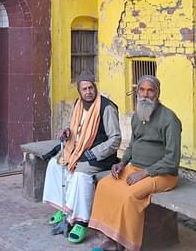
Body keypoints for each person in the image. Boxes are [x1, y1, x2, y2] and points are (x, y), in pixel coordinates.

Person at [88, 75, 181, 251]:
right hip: (135, 168)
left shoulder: (169, 119)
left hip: (163, 174)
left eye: (150, 90)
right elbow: (132, 145)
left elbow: (172, 160)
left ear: (157, 93)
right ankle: (110, 237)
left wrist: (144, 173)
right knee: (105, 185)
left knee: (129, 196)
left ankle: (125, 244)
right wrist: (122, 163)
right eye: (142, 90)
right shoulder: (137, 116)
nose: (145, 95)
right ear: (137, 92)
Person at [42, 72, 121, 244]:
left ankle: (80, 221)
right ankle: (64, 209)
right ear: (79, 91)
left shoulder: (106, 108)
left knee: (79, 174)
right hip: (78, 150)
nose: (88, 92)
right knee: (55, 165)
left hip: (100, 156)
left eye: (91, 88)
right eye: (84, 89)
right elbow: (75, 127)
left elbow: (115, 139)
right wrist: (67, 132)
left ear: (95, 87)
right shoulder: (78, 104)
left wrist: (92, 153)